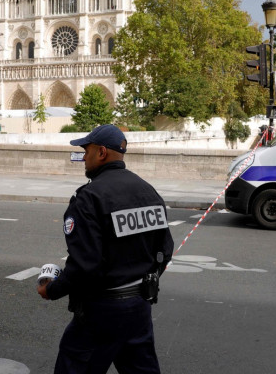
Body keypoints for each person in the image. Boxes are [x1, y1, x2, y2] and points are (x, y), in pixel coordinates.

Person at [37, 124, 174, 374]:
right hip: (139, 307)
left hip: (101, 312)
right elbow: (165, 250)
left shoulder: (89, 198)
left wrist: (52, 290)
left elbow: (84, 265)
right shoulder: (148, 192)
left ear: (101, 152)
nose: (83, 158)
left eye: (86, 151)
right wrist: (144, 281)